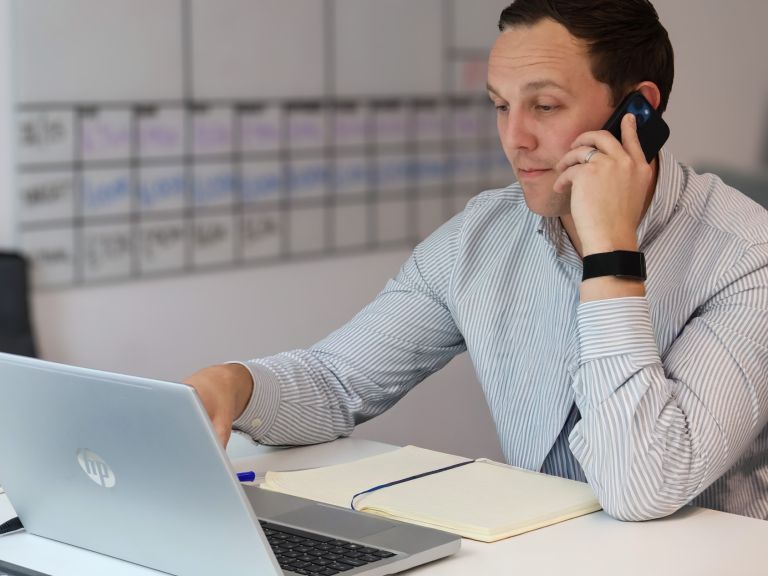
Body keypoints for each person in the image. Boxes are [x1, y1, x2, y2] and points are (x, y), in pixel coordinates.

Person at [186, 0, 768, 522]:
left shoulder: (747, 258)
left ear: (637, 110)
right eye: (499, 106)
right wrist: (235, 385)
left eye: (544, 105)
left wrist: (610, 250)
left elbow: (641, 487)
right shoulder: (480, 236)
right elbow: (338, 381)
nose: (514, 137)